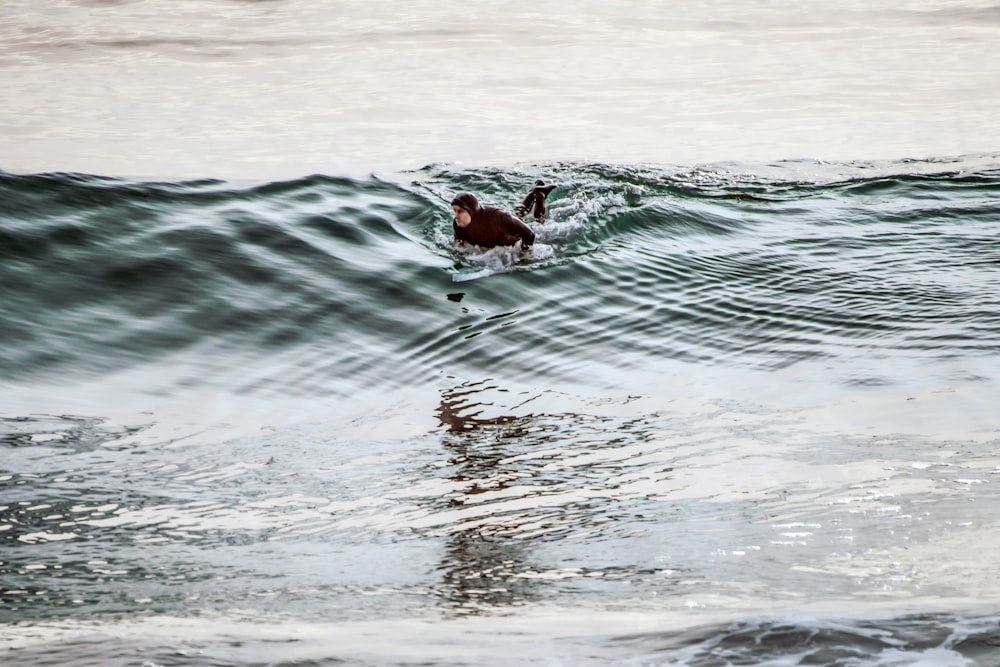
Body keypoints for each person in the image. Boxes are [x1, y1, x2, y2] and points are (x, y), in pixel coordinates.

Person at [451, 191, 536, 250]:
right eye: (455, 211)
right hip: (497, 239)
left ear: (471, 211)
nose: (456, 216)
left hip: (510, 235)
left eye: (460, 211)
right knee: (519, 213)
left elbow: (530, 234)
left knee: (537, 221)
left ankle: (539, 195)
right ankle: (533, 193)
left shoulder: (497, 218)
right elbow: (459, 245)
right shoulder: (459, 224)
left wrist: (523, 256)